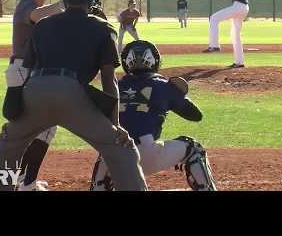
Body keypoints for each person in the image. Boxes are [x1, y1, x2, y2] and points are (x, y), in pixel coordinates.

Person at [0, 0, 148, 191]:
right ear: (90, 4)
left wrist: (17, 115)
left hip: (35, 91)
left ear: (65, 2)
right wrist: (115, 126)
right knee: (120, 149)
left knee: (5, 147)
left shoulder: (42, 25)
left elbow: (26, 71)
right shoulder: (104, 28)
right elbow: (109, 81)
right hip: (73, 94)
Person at [90, 40, 217, 191]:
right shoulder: (163, 85)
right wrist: (175, 93)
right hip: (148, 153)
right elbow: (196, 115)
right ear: (154, 61)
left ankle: (97, 187)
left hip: (115, 157)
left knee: (105, 153)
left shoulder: (114, 86)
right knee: (194, 148)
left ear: (126, 62)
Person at [5, 0, 66, 191]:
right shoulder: (28, 5)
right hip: (24, 70)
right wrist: (64, 4)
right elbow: (35, 16)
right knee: (40, 128)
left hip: (29, 71)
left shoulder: (44, 9)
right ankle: (24, 183)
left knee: (41, 129)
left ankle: (23, 181)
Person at [203, 0, 249, 69]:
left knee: (214, 18)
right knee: (235, 35)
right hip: (243, 8)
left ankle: (214, 46)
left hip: (238, 6)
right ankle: (239, 62)